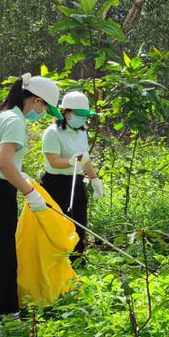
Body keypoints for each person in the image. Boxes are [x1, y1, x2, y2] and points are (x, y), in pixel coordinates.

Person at [0, 73, 62, 337]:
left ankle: (12, 313)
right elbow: (2, 162)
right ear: (35, 101)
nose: (43, 113)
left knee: (8, 259)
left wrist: (18, 176)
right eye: (44, 107)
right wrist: (29, 191)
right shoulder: (14, 121)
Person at [40, 91, 103, 262]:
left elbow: (85, 159)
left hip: (76, 181)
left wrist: (95, 179)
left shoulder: (82, 132)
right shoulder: (52, 133)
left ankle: (78, 262)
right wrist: (70, 161)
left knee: (79, 223)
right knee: (58, 225)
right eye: (79, 115)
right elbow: (53, 161)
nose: (82, 120)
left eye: (85, 116)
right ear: (66, 113)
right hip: (55, 184)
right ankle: (57, 263)